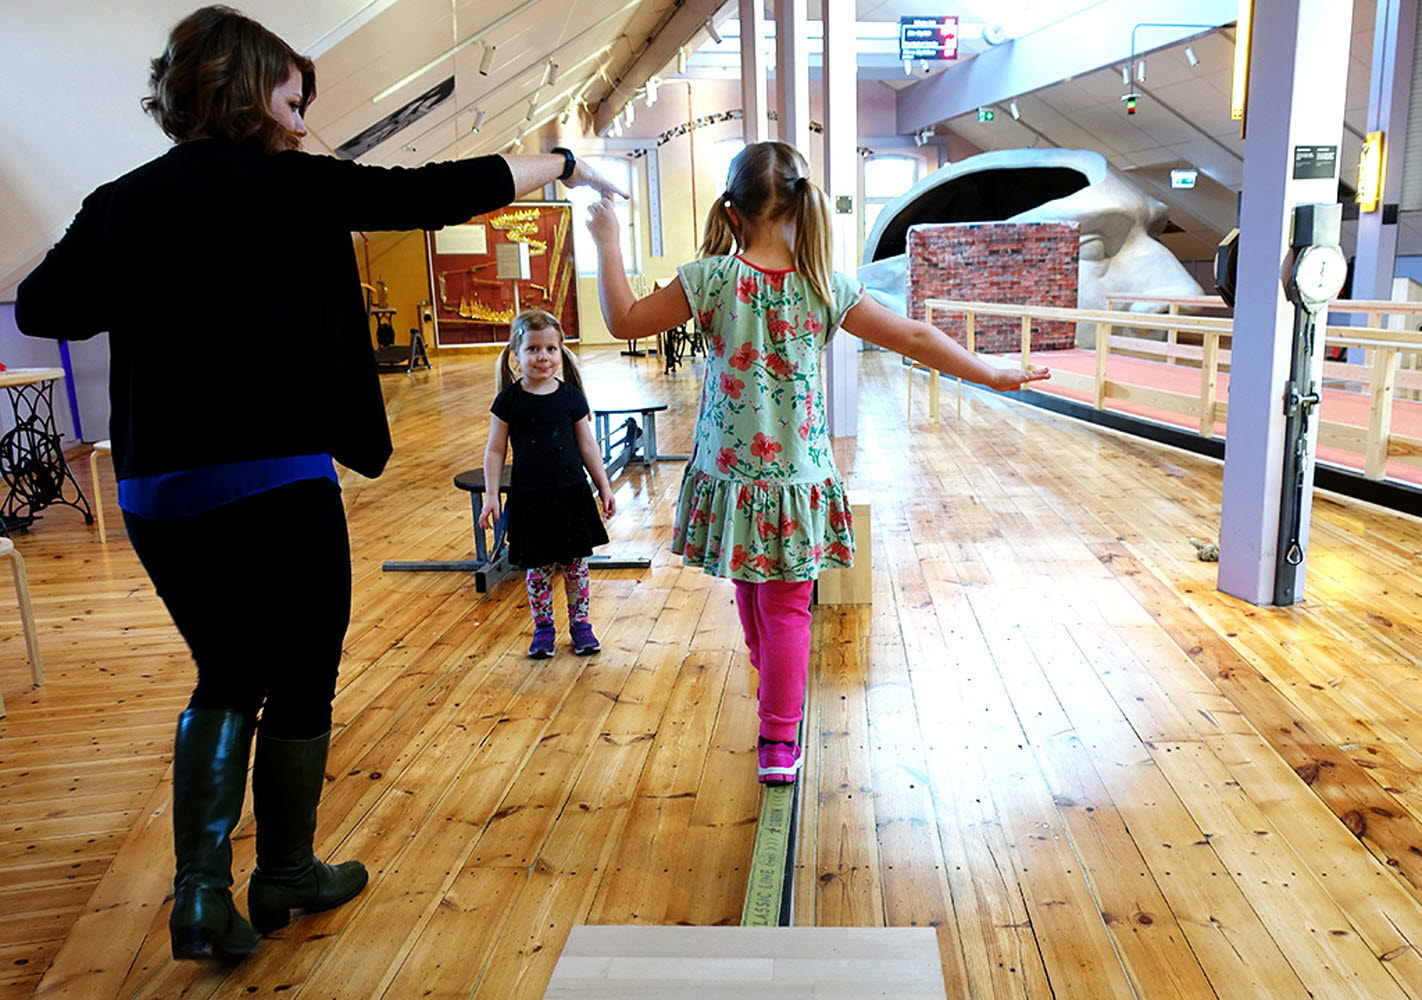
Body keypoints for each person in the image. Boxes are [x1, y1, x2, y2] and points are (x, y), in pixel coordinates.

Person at [14, 6, 625, 962]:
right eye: (295, 102)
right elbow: (438, 191)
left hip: (156, 495)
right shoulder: (293, 186)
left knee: (226, 668)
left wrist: (147, 270)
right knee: (301, 670)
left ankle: (203, 894)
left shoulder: (121, 201)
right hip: (273, 480)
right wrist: (563, 164)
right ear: (254, 93)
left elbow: (51, 302)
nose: (305, 123)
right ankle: (286, 871)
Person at [586, 141, 1050, 784]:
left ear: (731, 208)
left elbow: (622, 319)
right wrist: (989, 372)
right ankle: (779, 709)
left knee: (762, 602)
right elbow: (913, 335)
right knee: (774, 605)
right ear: (803, 207)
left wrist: (608, 238)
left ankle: (778, 730)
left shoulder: (713, 278)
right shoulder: (821, 287)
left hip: (736, 474)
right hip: (793, 477)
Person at [478, 311, 615, 658]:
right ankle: (543, 629)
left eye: (551, 349)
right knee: (537, 570)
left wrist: (604, 486)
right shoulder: (509, 400)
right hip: (530, 499)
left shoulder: (570, 397)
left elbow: (587, 445)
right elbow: (495, 450)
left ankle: (581, 626)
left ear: (560, 352)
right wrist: (491, 495)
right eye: (534, 349)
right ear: (517, 353)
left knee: (575, 566)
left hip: (571, 495)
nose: (543, 357)